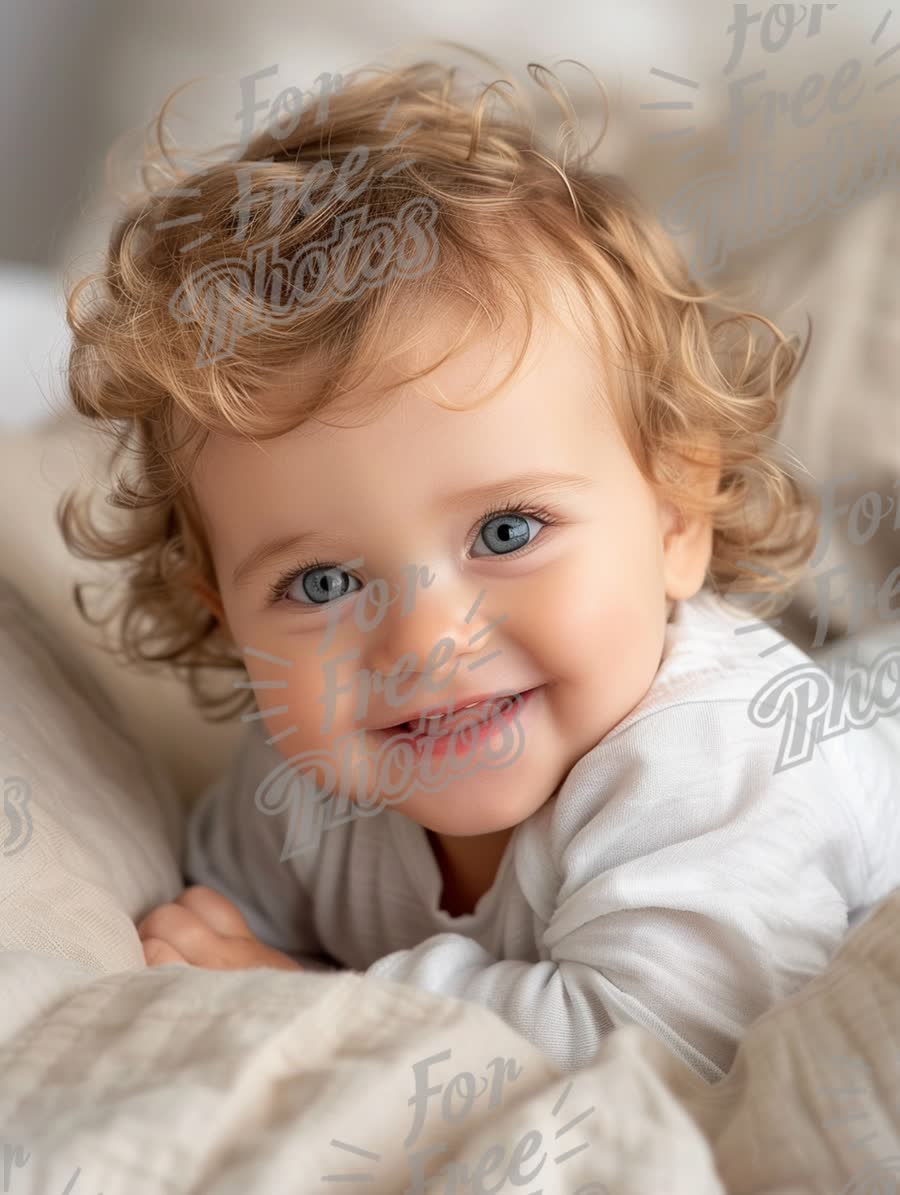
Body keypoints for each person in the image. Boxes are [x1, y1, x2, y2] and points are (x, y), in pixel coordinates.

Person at [58, 51, 900, 1080]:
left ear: (677, 516)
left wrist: (301, 1001)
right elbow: (210, 929)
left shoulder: (717, 756)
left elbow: (667, 1048)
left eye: (506, 532)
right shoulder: (299, 788)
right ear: (227, 614)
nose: (423, 637)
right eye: (323, 584)